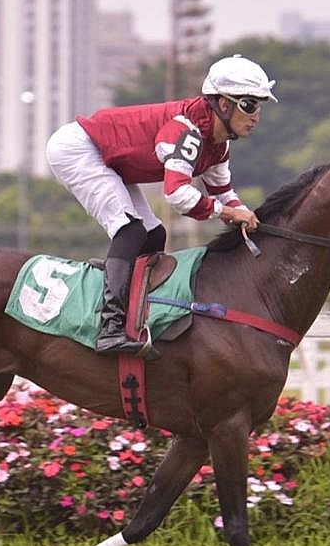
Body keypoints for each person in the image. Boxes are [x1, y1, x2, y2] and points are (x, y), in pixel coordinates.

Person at [46, 54, 273, 356]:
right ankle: (110, 328)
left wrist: (244, 214)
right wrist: (227, 213)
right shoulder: (187, 130)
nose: (256, 115)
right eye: (249, 105)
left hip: (110, 159)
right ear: (222, 104)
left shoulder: (218, 144)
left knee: (154, 236)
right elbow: (177, 194)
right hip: (80, 149)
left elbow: (222, 191)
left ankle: (138, 315)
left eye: (259, 105)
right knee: (130, 231)